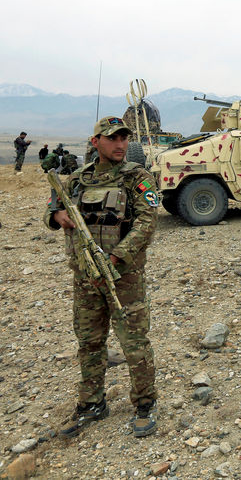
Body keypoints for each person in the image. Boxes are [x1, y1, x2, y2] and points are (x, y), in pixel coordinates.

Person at [45, 116, 159, 439]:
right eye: (113, 139)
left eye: (124, 138)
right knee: (90, 343)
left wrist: (116, 256)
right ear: (96, 143)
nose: (121, 145)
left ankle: (144, 404)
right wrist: (57, 215)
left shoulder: (137, 177)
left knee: (134, 343)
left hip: (124, 278)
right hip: (85, 279)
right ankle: (92, 403)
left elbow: (147, 223)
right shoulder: (77, 181)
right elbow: (50, 211)